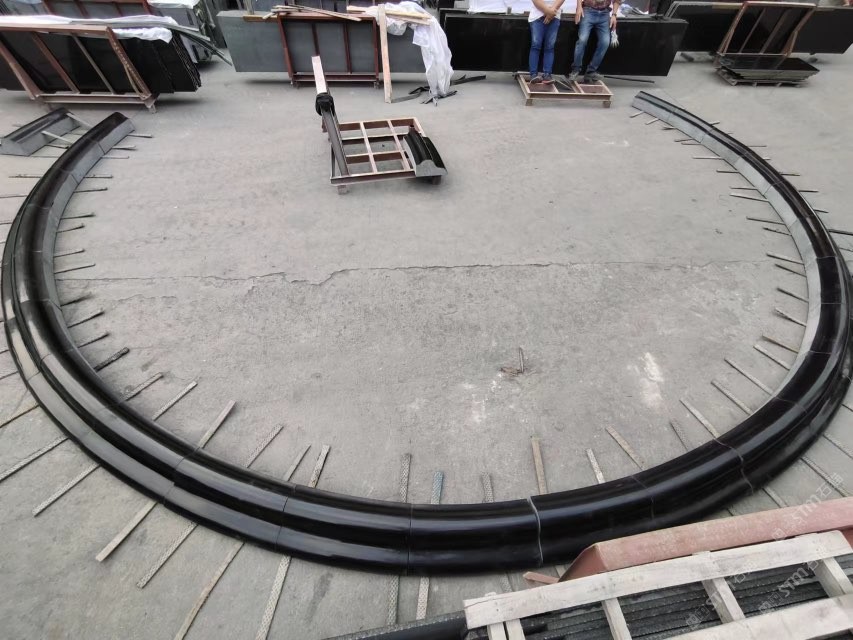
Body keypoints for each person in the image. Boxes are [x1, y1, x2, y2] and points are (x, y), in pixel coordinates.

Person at [569, 0, 621, 84]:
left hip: (604, 13)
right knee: (582, 40)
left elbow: (617, 1)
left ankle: (591, 71)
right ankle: (575, 69)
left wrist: (614, 15)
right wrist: (579, 7)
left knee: (605, 42)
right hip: (588, 10)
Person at [528, 0, 565, 84]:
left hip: (554, 17)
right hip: (537, 16)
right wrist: (549, 12)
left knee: (549, 47)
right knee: (536, 46)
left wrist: (551, 12)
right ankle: (533, 74)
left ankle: (547, 74)